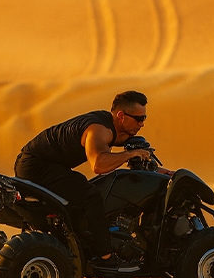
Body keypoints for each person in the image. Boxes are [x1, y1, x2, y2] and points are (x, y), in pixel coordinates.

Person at [13, 90, 150, 267]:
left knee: (78, 186)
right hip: (37, 167)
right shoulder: (99, 130)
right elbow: (99, 165)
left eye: (144, 119)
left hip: (39, 164)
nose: (142, 124)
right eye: (138, 119)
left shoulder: (111, 124)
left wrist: (159, 169)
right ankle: (106, 257)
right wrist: (129, 155)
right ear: (121, 115)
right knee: (91, 195)